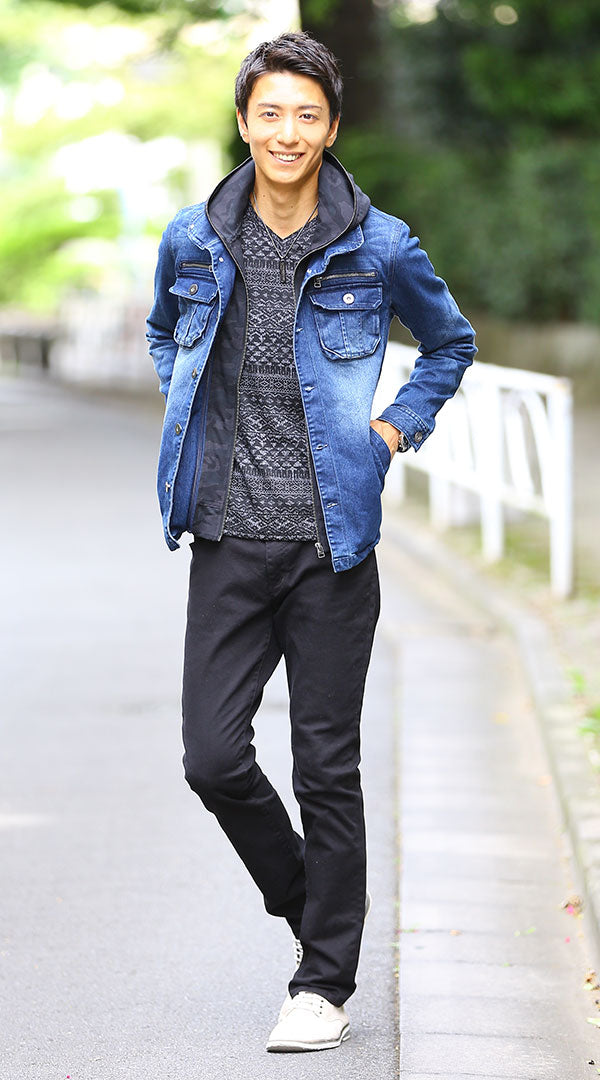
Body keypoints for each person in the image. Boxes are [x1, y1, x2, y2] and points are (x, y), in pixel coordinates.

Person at [145, 29, 476, 1053]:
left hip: (333, 546)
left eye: (307, 115)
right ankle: (313, 901)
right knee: (212, 758)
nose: (287, 132)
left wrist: (390, 434)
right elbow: (164, 332)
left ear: (332, 128)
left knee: (327, 767)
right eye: (269, 113)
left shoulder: (380, 244)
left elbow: (450, 345)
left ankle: (323, 983)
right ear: (244, 123)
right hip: (228, 539)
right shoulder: (193, 238)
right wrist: (190, 409)